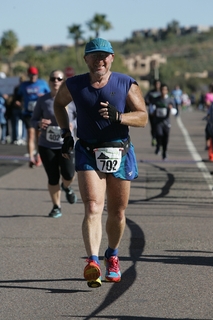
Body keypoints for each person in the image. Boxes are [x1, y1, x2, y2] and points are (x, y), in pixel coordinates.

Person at [54, 37, 148, 288]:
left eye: (104, 55)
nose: (100, 60)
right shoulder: (74, 85)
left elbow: (142, 117)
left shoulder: (126, 83)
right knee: (93, 207)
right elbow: (58, 105)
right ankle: (93, 262)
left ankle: (113, 256)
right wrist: (65, 133)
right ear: (85, 59)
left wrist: (120, 117)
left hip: (120, 151)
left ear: (112, 58)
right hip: (87, 149)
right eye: (94, 55)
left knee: (117, 212)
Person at [31, 70, 77, 218]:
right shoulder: (42, 100)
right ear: (49, 81)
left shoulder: (72, 99)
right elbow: (33, 120)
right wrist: (39, 123)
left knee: (69, 174)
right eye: (53, 78)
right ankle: (56, 206)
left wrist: (72, 125)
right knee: (52, 177)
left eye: (59, 78)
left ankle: (66, 187)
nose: (56, 81)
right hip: (47, 145)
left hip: (67, 143)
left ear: (63, 81)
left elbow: (80, 117)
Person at [16, 66, 50, 167]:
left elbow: (50, 95)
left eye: (34, 75)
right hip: (28, 114)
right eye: (31, 75)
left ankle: (38, 155)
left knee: (39, 136)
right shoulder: (24, 85)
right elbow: (18, 96)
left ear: (37, 75)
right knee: (30, 135)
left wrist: (42, 96)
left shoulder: (42, 83)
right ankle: (30, 157)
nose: (33, 77)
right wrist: (17, 102)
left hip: (40, 114)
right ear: (28, 75)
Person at [154, 83, 174, 160]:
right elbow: (152, 107)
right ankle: (158, 145)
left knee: (166, 138)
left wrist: (171, 108)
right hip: (158, 122)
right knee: (159, 135)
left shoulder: (170, 100)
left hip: (166, 122)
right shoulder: (157, 99)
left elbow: (175, 111)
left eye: (165, 90)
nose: (163, 91)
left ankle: (164, 152)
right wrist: (152, 111)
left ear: (167, 91)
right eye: (162, 89)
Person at [145, 79, 161, 146]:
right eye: (156, 84)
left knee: (159, 127)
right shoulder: (150, 93)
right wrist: (149, 103)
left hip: (160, 113)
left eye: (158, 84)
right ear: (154, 85)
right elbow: (146, 100)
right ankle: (154, 138)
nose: (157, 85)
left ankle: (159, 139)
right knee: (153, 127)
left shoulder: (162, 92)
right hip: (152, 113)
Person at [10, 76, 26, 145]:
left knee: (22, 124)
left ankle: (22, 138)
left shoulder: (25, 88)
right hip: (17, 108)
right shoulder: (18, 88)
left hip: (23, 108)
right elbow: (15, 97)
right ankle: (16, 138)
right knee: (16, 124)